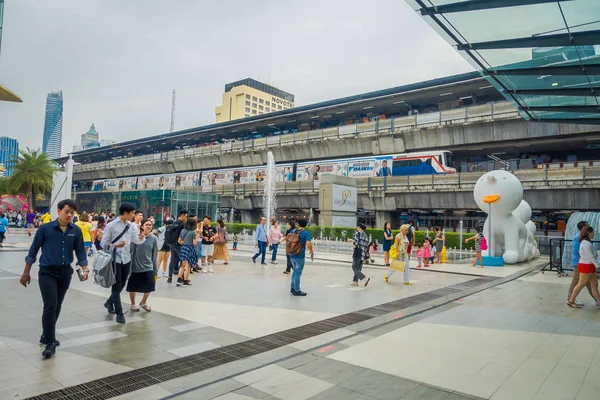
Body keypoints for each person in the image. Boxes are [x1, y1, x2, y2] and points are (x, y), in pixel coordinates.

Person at [21, 199, 88, 358]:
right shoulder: (45, 229)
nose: (69, 215)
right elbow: (33, 251)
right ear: (58, 211)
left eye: (72, 213)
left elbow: (80, 252)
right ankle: (51, 341)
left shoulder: (75, 230)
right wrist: (26, 272)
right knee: (50, 305)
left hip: (65, 273)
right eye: (67, 212)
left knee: (57, 305)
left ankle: (46, 335)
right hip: (47, 272)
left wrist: (85, 269)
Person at [100, 203, 146, 324]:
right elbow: (102, 244)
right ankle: (119, 313)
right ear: (125, 213)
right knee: (116, 286)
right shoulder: (111, 225)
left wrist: (141, 237)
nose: (133, 215)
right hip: (115, 260)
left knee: (121, 285)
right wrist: (114, 246)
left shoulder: (131, 226)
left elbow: (135, 240)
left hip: (126, 259)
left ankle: (109, 303)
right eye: (132, 213)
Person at [127, 219, 158, 311]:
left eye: (150, 225)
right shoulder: (136, 237)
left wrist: (155, 269)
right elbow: (131, 251)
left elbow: (154, 254)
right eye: (147, 224)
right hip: (136, 266)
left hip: (148, 266)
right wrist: (130, 267)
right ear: (142, 226)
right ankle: (133, 303)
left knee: (150, 285)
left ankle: (143, 302)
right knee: (133, 287)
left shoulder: (153, 239)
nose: (149, 226)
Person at [567, 226, 600, 309]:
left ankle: (599, 302)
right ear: (588, 233)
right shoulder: (586, 244)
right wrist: (598, 265)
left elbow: (593, 255)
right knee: (581, 284)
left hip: (589, 265)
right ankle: (571, 301)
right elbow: (590, 256)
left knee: (594, 285)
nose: (593, 234)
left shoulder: (586, 243)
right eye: (592, 232)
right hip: (586, 266)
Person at [288, 219, 313, 296]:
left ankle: (292, 288)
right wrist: (312, 251)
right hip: (300, 255)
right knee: (297, 272)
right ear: (306, 225)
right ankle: (297, 290)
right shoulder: (306, 233)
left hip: (291, 253)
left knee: (295, 271)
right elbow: (308, 244)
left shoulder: (293, 231)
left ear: (298, 224)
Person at [166, 210, 188, 283]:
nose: (186, 218)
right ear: (182, 215)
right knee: (183, 260)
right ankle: (181, 277)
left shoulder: (174, 223)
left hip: (172, 244)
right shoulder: (182, 224)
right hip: (178, 244)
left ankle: (169, 277)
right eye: (186, 216)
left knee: (172, 260)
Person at [347, 223, 371, 287]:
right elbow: (366, 245)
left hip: (358, 252)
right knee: (358, 268)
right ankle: (355, 282)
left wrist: (351, 240)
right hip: (363, 254)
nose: (356, 228)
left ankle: (364, 278)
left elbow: (356, 242)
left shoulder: (358, 233)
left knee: (354, 267)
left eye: (357, 227)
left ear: (359, 227)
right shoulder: (365, 235)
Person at [177, 217, 199, 286]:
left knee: (182, 265)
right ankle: (185, 280)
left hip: (183, 248)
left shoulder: (183, 230)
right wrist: (197, 237)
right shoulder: (193, 232)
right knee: (188, 266)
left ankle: (179, 279)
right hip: (190, 248)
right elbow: (195, 243)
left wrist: (184, 244)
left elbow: (179, 241)